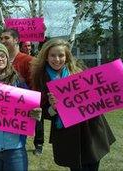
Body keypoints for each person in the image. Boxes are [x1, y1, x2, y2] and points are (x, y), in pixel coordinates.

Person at [30, 38, 116, 170]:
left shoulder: (79, 70)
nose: (57, 59)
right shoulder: (40, 78)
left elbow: (104, 84)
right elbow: (42, 110)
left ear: (67, 56)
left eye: (61, 55)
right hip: (67, 133)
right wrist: (53, 108)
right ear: (46, 57)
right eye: (53, 55)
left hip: (90, 128)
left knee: (93, 164)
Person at [0, 42, 41, 171]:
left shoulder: (18, 82)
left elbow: (28, 106)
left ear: (7, 58)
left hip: (14, 147)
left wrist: (34, 112)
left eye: (2, 56)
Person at [0, 29, 44, 155]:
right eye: (1, 38)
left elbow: (35, 86)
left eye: (6, 38)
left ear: (16, 40)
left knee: (17, 145)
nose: (3, 41)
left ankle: (38, 144)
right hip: (5, 108)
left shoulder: (28, 60)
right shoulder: (0, 59)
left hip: (24, 107)